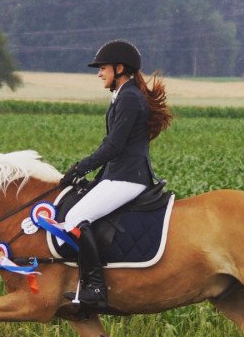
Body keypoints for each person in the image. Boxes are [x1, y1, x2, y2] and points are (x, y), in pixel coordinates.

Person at [60, 39, 172, 310]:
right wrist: (93, 176)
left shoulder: (130, 97)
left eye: (103, 68)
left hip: (129, 177)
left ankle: (96, 288)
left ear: (119, 68)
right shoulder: (124, 95)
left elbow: (114, 146)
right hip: (118, 174)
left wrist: (79, 167)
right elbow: (110, 145)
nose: (99, 73)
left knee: (75, 217)